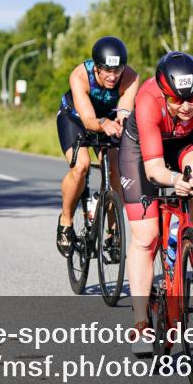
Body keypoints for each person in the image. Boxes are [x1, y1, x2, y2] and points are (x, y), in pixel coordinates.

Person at [118, 51, 193, 356]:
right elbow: (154, 171)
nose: (186, 106)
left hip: (181, 145)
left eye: (192, 98)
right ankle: (140, 324)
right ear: (164, 93)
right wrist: (175, 180)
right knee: (146, 238)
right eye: (177, 100)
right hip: (141, 152)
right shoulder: (148, 100)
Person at [55, 36, 139, 256]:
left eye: (117, 70)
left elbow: (124, 110)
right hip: (76, 118)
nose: (113, 76)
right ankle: (66, 220)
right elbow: (89, 120)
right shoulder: (80, 75)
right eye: (106, 70)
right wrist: (104, 124)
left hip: (109, 118)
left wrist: (121, 121)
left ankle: (113, 232)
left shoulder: (130, 77)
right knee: (81, 166)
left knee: (115, 170)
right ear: (95, 68)